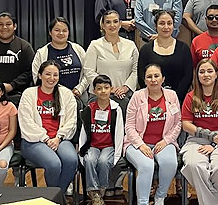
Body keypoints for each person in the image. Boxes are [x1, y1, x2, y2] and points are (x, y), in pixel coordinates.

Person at [124, 64, 182, 205]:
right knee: (147, 166)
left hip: (163, 141)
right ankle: (143, 202)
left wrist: (166, 141)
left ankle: (160, 197)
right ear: (144, 81)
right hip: (137, 142)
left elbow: (178, 122)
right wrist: (141, 145)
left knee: (170, 163)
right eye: (149, 77)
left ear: (163, 79)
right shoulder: (137, 97)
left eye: (156, 76)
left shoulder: (171, 95)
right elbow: (129, 126)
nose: (153, 79)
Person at [180, 59, 218, 205]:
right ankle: (216, 199)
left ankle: (207, 200)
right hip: (195, 140)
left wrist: (214, 143)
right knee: (193, 165)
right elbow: (186, 125)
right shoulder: (190, 97)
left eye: (210, 71)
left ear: (216, 74)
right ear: (197, 75)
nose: (206, 75)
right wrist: (207, 134)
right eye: (202, 71)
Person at [20, 61, 79, 191]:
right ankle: (55, 198)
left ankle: (57, 197)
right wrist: (46, 139)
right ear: (40, 75)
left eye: (55, 75)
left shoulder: (66, 94)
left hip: (59, 139)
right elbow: (26, 122)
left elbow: (71, 120)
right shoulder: (29, 94)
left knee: (71, 160)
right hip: (34, 140)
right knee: (54, 164)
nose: (51, 78)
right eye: (47, 74)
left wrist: (58, 137)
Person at [78, 75, 125, 205]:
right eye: (99, 88)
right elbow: (83, 132)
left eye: (106, 88)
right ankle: (94, 192)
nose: (103, 91)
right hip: (92, 145)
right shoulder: (89, 109)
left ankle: (102, 189)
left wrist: (117, 155)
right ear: (94, 91)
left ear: (111, 89)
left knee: (104, 161)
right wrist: (82, 152)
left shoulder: (116, 109)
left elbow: (120, 132)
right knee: (89, 159)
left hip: (109, 146)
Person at [82, 10, 139, 109]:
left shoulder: (131, 45)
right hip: (99, 97)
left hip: (125, 96)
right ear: (103, 25)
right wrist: (108, 89)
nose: (112, 25)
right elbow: (88, 71)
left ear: (120, 24)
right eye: (108, 22)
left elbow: (136, 70)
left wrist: (126, 88)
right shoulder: (95, 45)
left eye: (115, 21)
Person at [138, 10, 193, 98]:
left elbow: (187, 76)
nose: (166, 27)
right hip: (152, 99)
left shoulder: (183, 48)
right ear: (155, 26)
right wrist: (155, 96)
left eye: (169, 23)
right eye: (162, 23)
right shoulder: (146, 50)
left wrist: (175, 97)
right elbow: (141, 77)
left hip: (178, 99)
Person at [33, 17, 87, 99]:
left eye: (64, 30)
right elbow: (37, 77)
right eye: (57, 30)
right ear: (50, 32)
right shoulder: (42, 53)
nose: (61, 33)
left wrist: (79, 89)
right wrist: (62, 92)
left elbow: (88, 72)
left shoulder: (78, 49)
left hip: (79, 95)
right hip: (53, 96)